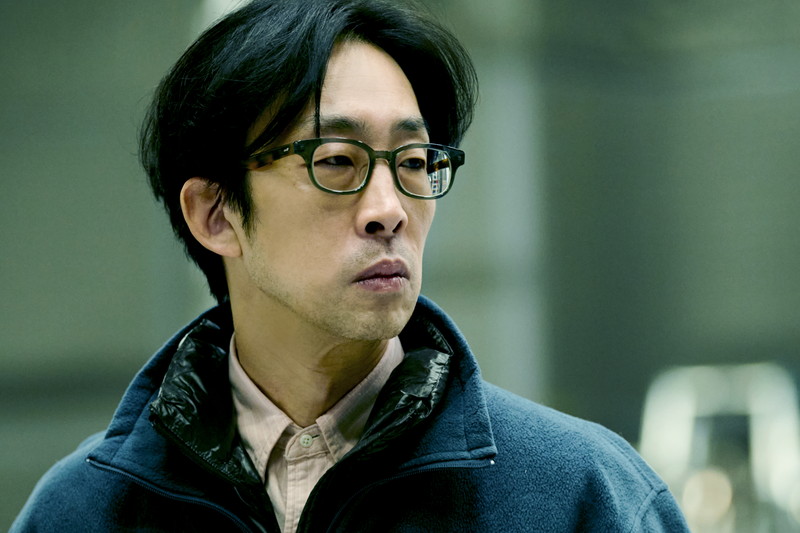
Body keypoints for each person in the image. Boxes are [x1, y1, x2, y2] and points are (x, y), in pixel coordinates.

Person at [12, 0, 690, 531]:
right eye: (337, 161)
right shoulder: (85, 511)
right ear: (215, 214)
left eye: (414, 162)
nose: (389, 209)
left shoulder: (579, 494)